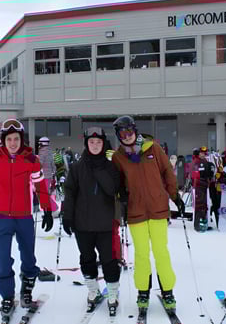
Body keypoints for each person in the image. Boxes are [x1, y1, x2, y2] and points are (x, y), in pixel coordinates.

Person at [0, 119, 54, 315]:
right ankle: (7, 296)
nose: (13, 143)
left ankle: (27, 289)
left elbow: (40, 186)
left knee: (28, 258)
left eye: (16, 139)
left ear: (21, 140)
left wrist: (47, 209)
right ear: (4, 141)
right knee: (3, 259)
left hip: (24, 217)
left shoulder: (31, 160)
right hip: (3, 217)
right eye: (9, 139)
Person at [111, 115, 184, 315]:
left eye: (129, 132)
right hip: (136, 211)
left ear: (135, 130)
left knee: (161, 251)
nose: (127, 137)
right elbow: (117, 182)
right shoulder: (118, 157)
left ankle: (167, 291)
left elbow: (168, 172)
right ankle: (143, 291)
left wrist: (174, 195)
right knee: (141, 254)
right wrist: (121, 196)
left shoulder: (153, 148)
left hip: (158, 209)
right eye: (122, 134)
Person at [61, 127, 121, 313]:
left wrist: (99, 168)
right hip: (83, 224)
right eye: (91, 142)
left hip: (105, 224)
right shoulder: (77, 167)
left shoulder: (111, 166)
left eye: (99, 142)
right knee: (87, 259)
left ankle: (112, 294)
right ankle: (93, 291)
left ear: (104, 144)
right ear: (86, 144)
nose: (95, 146)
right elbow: (69, 193)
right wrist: (67, 216)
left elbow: (113, 189)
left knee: (109, 260)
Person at [191, 146, 214, 232]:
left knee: (205, 205)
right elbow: (194, 175)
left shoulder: (205, 162)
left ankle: (204, 223)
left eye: (204, 153)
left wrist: (210, 175)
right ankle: (197, 225)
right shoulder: (196, 162)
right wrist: (201, 180)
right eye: (201, 153)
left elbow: (208, 174)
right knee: (199, 205)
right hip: (198, 187)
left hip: (205, 187)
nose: (203, 155)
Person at [37, 137, 58, 210]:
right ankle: (48, 210)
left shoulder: (42, 152)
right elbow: (53, 164)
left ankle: (54, 208)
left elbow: (39, 164)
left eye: (39, 143)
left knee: (43, 194)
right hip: (49, 176)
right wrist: (53, 173)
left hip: (43, 176)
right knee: (45, 193)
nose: (39, 145)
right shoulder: (50, 152)